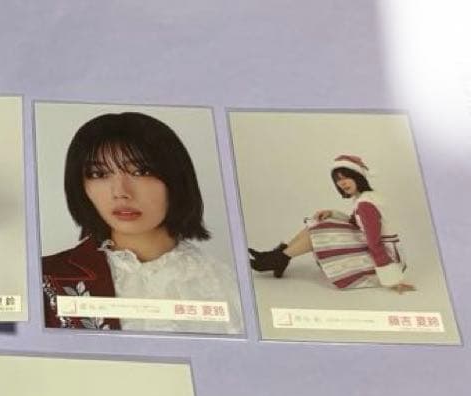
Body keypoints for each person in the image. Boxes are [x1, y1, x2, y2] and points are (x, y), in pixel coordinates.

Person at [41, 112, 241, 333]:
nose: (120, 192)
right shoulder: (44, 278)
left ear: (175, 178)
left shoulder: (225, 283)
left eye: (141, 171)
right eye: (99, 174)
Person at [248, 154, 415, 293]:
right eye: (338, 180)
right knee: (319, 222)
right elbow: (355, 223)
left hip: (386, 259)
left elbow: (375, 242)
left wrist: (393, 280)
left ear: (358, 177)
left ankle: (277, 258)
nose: (342, 183)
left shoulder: (366, 204)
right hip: (381, 252)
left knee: (321, 228)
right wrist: (332, 213)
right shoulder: (364, 198)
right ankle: (278, 256)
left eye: (346, 177)